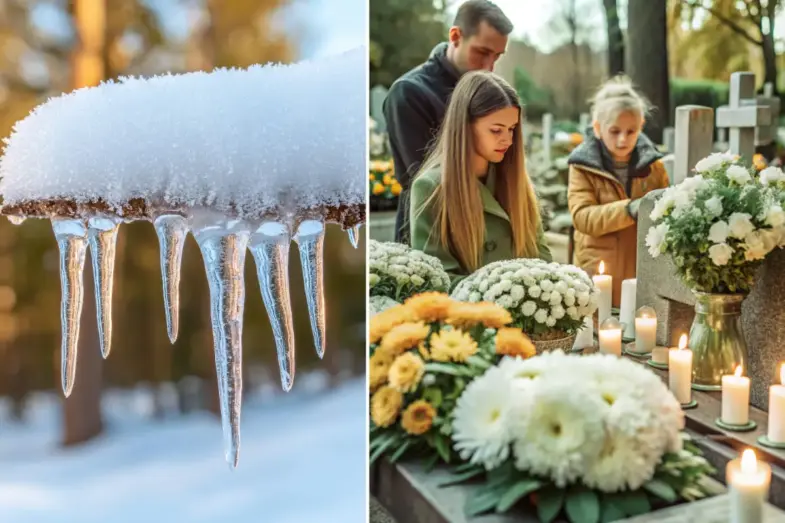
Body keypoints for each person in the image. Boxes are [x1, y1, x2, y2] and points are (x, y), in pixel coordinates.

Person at [382, 0, 513, 245]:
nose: (489, 67)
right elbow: (426, 181)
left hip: (487, 230)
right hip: (431, 234)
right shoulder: (409, 93)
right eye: (482, 52)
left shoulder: (488, 92)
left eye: (497, 56)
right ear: (455, 36)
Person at [408, 71, 552, 289]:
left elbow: (542, 257)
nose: (508, 140)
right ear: (465, 126)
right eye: (496, 130)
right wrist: (503, 291)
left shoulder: (517, 181)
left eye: (512, 129)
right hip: (469, 308)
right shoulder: (431, 188)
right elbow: (436, 279)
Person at [567, 76, 669, 307]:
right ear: (597, 128)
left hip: (640, 273)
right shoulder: (582, 167)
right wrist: (629, 209)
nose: (623, 139)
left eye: (631, 131)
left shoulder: (654, 167)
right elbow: (582, 217)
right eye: (614, 131)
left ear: (641, 126)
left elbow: (665, 214)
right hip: (597, 273)